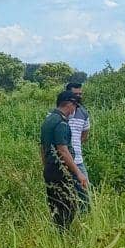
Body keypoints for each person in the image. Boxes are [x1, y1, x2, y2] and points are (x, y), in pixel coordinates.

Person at [40, 90, 89, 231]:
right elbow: (63, 150)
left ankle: (58, 233)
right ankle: (63, 235)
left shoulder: (48, 120)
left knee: (55, 204)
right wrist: (79, 173)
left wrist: (46, 166)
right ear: (70, 105)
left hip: (50, 168)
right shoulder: (61, 123)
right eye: (75, 106)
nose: (74, 110)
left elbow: (43, 148)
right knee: (68, 206)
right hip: (60, 170)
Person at [65, 81, 91, 208]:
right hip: (61, 159)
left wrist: (74, 146)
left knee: (85, 194)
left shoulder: (84, 114)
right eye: (76, 94)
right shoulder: (59, 113)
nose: (79, 96)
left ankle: (85, 219)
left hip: (78, 160)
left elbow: (85, 135)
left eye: (80, 94)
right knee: (64, 193)